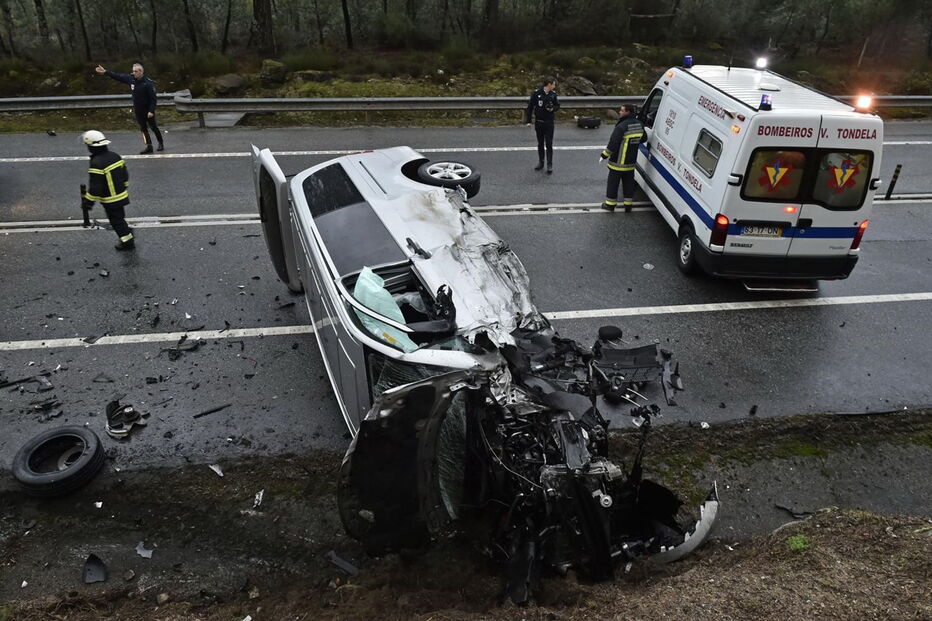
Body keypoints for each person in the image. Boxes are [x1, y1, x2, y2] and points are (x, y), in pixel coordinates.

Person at [81, 130, 135, 251]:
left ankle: (127, 242)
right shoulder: (115, 156)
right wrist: (124, 186)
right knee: (120, 218)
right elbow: (125, 174)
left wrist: (88, 202)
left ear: (91, 147)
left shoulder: (97, 163)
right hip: (122, 194)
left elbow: (96, 187)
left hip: (110, 199)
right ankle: (126, 231)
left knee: (116, 221)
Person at [95, 62, 163, 154]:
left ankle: (160, 143)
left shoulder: (148, 83)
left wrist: (151, 111)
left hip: (148, 111)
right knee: (143, 129)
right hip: (138, 110)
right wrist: (106, 72)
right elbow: (118, 76)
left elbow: (153, 99)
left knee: (154, 127)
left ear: (141, 72)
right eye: (133, 71)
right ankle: (148, 146)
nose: (134, 73)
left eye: (135, 71)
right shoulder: (131, 79)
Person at [600, 104, 644, 212]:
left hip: (618, 163)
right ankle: (628, 205)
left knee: (613, 184)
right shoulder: (639, 124)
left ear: (627, 112)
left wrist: (604, 155)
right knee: (629, 183)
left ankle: (610, 205)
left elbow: (613, 143)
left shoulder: (622, 126)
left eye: (622, 110)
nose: (619, 112)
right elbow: (644, 138)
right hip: (631, 162)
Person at [524, 77, 560, 174]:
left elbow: (558, 106)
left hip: (549, 123)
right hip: (539, 122)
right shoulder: (537, 94)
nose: (554, 86)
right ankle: (541, 162)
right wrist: (528, 120)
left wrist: (553, 108)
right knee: (540, 143)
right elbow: (530, 107)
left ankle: (549, 164)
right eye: (553, 84)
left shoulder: (553, 95)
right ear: (549, 84)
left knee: (549, 144)